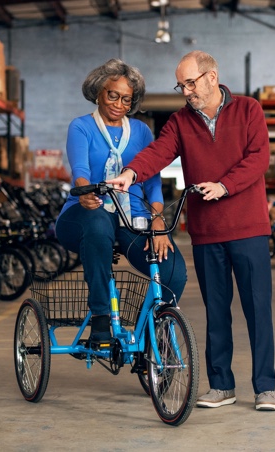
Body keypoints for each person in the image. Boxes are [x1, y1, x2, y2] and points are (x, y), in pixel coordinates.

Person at [107, 51, 275, 411]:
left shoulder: (249, 110)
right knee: (216, 310)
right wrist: (131, 174)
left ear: (212, 77)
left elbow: (259, 157)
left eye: (190, 83)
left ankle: (265, 387)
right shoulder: (181, 122)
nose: (185, 91)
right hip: (207, 231)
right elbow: (158, 153)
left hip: (248, 228)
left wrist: (225, 186)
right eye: (180, 85)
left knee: (257, 308)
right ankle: (221, 386)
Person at [55, 58, 187, 348]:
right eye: (112, 95)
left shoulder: (141, 132)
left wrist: (158, 220)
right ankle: (101, 318)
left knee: (174, 272)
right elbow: (80, 171)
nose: (118, 104)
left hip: (132, 218)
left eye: (126, 99)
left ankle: (151, 332)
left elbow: (151, 180)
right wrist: (85, 192)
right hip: (84, 213)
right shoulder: (81, 127)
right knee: (100, 220)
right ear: (98, 92)